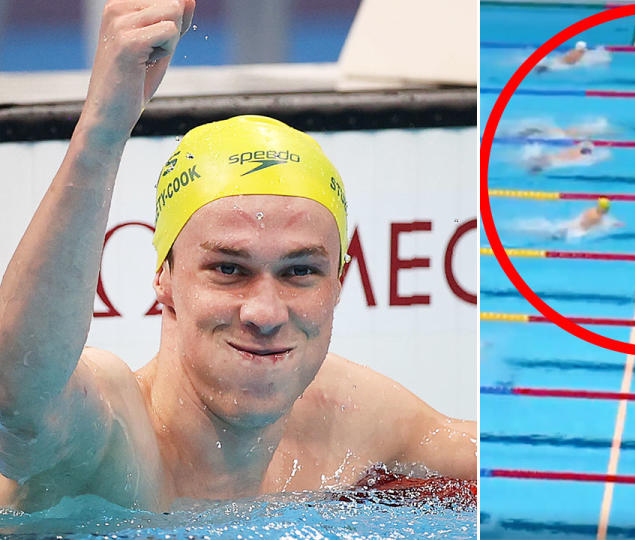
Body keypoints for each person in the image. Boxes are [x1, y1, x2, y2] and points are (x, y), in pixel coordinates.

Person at [0, 0, 475, 513]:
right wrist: (103, 129)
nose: (265, 314)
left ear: (340, 282)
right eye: (229, 270)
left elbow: (532, 462)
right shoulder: (114, 439)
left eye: (300, 272)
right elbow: (16, 400)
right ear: (165, 276)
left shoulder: (344, 414)